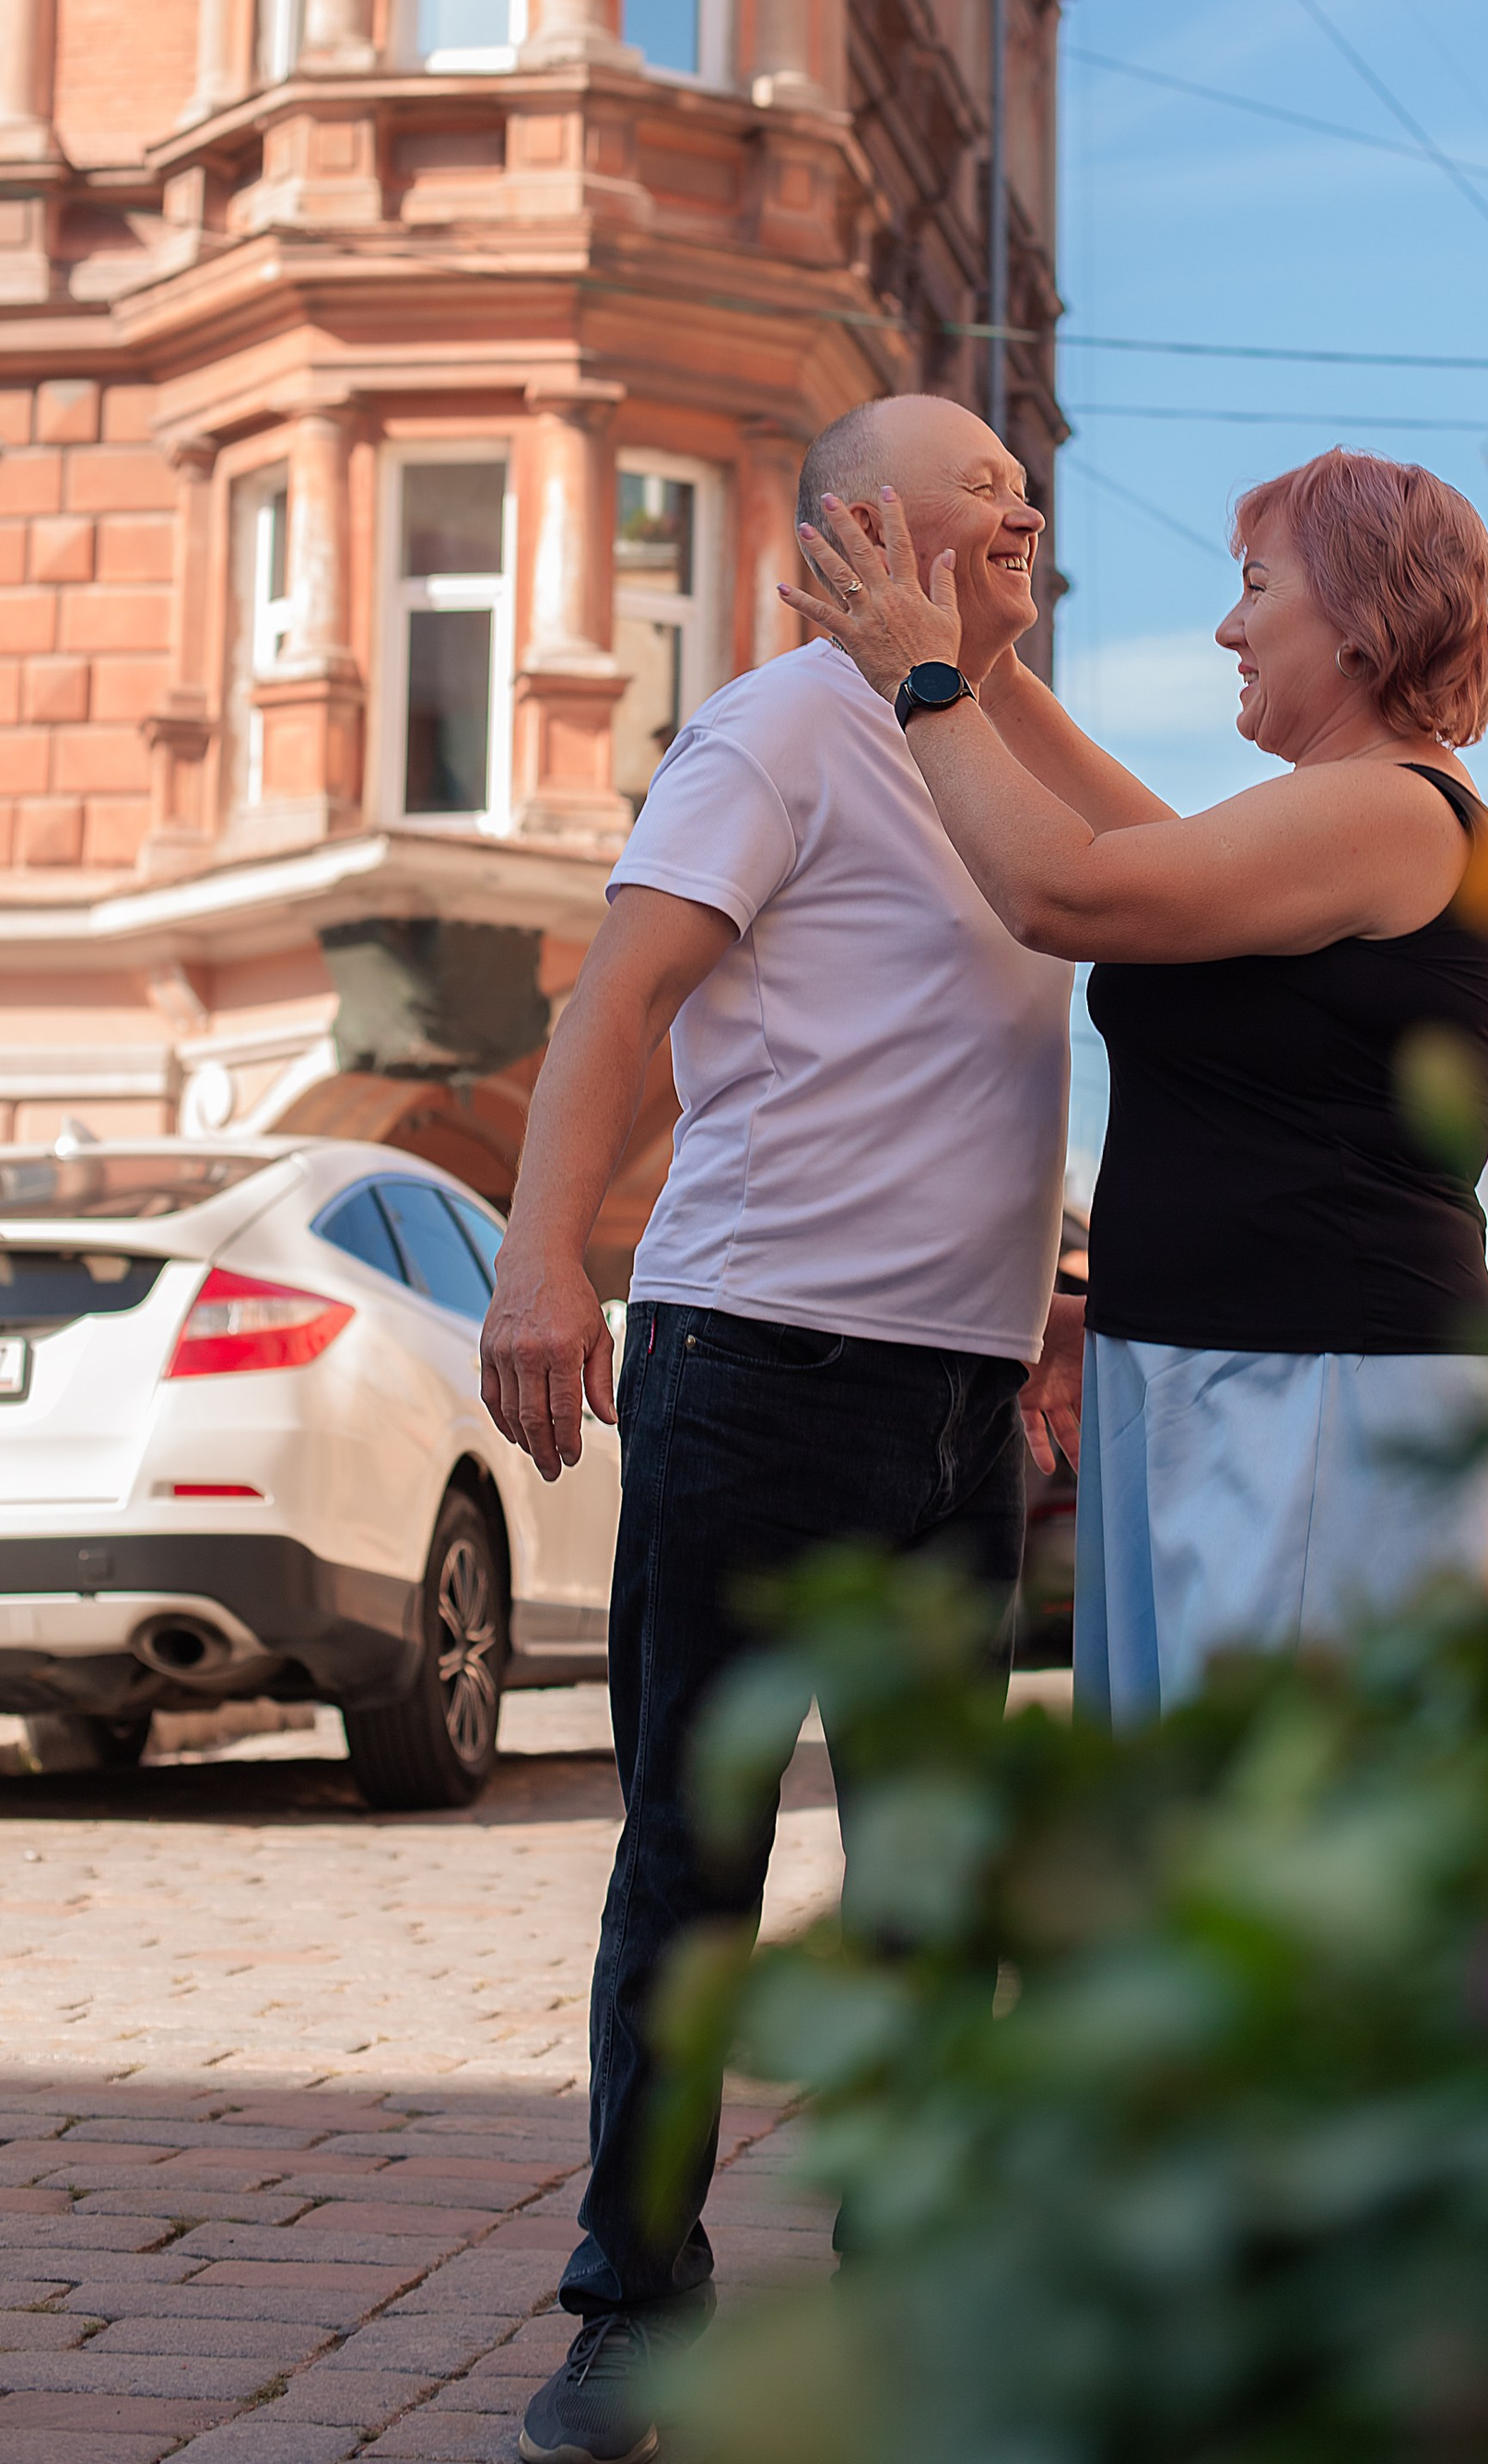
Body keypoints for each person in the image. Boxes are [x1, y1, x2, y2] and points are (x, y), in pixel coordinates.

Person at [480, 392, 1102, 2464]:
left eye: (1023, 487)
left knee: (930, 1880)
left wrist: (1046, 1304)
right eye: (977, 489)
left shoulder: (997, 738)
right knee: (696, 1857)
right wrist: (538, 1263)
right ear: (858, 531)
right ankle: (633, 2314)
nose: (1021, 504)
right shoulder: (772, 728)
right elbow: (621, 1000)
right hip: (760, 1373)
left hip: (950, 1408)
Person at [780, 443, 1488, 1732]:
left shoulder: (1395, 812)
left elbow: (1064, 887)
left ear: (1361, 617)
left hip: (1321, 1380)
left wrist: (926, 675)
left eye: (1257, 588)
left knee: (1271, 1849)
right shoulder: (1319, 817)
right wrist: (989, 655)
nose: (1229, 627)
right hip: (1226, 1366)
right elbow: (1118, 838)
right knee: (1193, 1835)